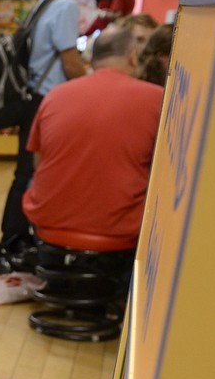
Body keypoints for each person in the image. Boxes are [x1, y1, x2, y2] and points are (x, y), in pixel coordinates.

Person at [0, 0, 104, 261]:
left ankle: (12, 236)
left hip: (32, 98)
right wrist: (98, 84)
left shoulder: (45, 1)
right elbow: (69, 61)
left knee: (24, 171)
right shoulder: (65, 5)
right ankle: (20, 239)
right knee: (35, 173)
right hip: (49, 101)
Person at [24, 26, 164, 242]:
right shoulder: (157, 98)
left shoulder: (55, 95)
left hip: (47, 224)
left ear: (93, 58)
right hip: (120, 232)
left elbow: (38, 162)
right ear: (133, 57)